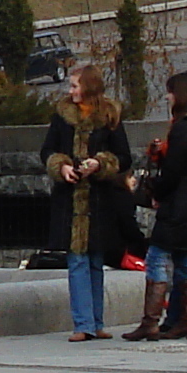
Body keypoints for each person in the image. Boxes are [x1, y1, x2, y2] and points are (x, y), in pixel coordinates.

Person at [127, 69, 187, 343]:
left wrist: (155, 189)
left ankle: (151, 321)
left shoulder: (184, 128)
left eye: (171, 91)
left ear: (182, 95)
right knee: (184, 258)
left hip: (179, 203)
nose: (168, 96)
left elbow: (173, 172)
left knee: (157, 257)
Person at [42, 63, 132, 340]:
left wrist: (100, 163)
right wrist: (62, 167)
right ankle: (83, 324)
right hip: (70, 199)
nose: (71, 91)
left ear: (89, 87)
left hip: (99, 199)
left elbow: (124, 157)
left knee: (95, 260)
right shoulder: (62, 116)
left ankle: (96, 322)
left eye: (75, 86)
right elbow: (47, 150)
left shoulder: (110, 116)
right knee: (77, 260)